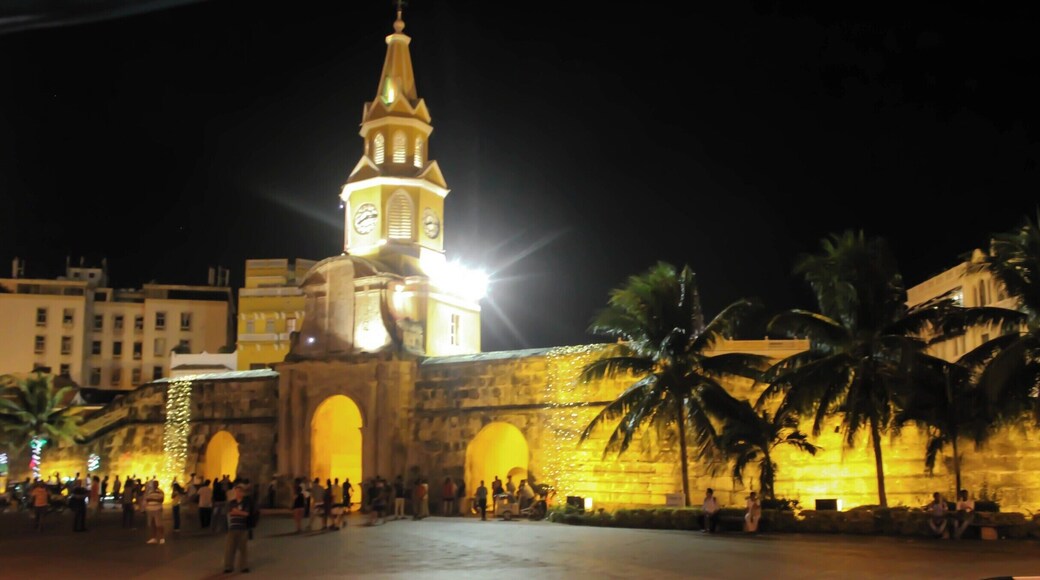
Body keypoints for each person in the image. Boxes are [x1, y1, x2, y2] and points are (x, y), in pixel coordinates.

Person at [224, 485, 251, 574]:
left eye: (239, 491)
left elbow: (246, 514)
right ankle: (228, 566)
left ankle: (244, 566)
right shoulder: (232, 502)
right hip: (232, 528)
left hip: (243, 528)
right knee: (230, 548)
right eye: (235, 492)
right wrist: (239, 512)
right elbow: (230, 512)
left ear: (242, 493)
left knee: (243, 549)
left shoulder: (246, 503)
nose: (237, 493)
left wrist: (237, 512)